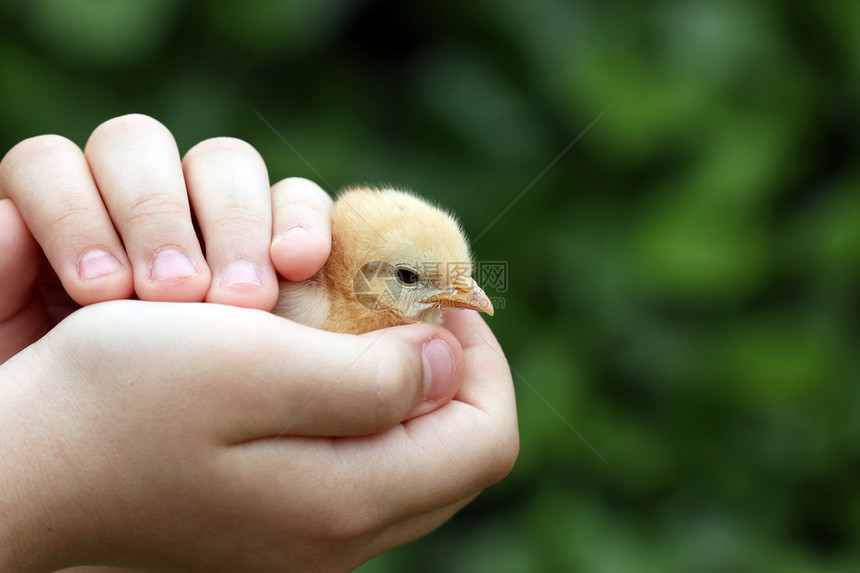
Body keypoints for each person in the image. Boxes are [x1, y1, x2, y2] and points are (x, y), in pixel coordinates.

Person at [0, 114, 519, 572]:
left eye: (460, 277)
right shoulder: (299, 305)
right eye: (409, 276)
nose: (463, 295)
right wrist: (52, 455)